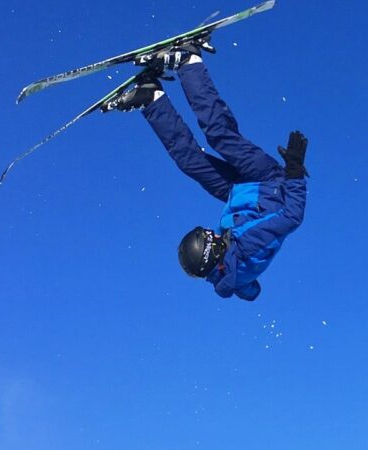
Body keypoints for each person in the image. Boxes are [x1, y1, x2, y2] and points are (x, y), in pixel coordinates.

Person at [102, 39, 309, 301]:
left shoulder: (224, 271)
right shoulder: (248, 246)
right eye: (208, 236)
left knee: (191, 162)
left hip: (240, 193)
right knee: (220, 135)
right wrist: (295, 171)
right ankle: (190, 62)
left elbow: (247, 288)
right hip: (270, 183)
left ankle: (151, 99)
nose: (213, 232)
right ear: (210, 251)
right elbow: (292, 217)